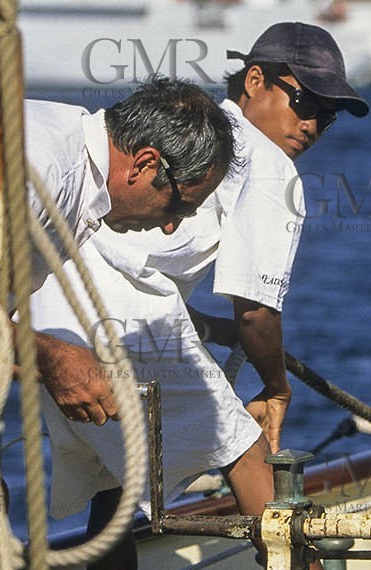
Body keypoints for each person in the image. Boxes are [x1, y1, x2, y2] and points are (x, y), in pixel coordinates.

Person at [37, 25, 368, 570]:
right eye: (304, 102)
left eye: (328, 115)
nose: (312, 124)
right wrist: (274, 386)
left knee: (113, 482)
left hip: (54, 300)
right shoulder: (270, 170)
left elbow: (165, 268)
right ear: (254, 81)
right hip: (120, 314)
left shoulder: (188, 126)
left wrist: (210, 333)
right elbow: (254, 311)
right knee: (245, 450)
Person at [24, 75, 236, 425]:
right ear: (144, 164)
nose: (170, 226)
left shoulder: (73, 157)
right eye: (179, 207)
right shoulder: (46, 174)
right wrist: (50, 356)